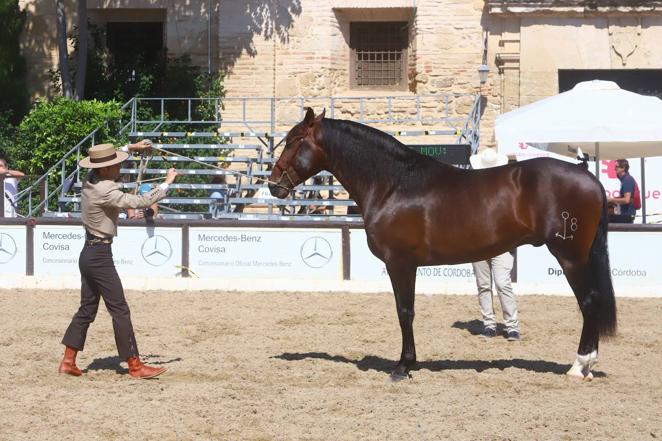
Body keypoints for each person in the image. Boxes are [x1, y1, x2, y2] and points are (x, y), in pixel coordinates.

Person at [59, 143, 178, 379]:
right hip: (100, 256)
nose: (120, 167)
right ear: (105, 170)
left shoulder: (90, 178)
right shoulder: (106, 191)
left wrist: (132, 147)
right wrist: (167, 182)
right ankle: (134, 365)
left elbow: (105, 158)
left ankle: (68, 361)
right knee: (119, 309)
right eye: (116, 164)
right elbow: (140, 203)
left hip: (88, 253)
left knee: (87, 309)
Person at [469, 148, 520, 341]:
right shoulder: (473, 191)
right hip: (479, 242)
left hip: (500, 242)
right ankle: (490, 324)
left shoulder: (506, 190)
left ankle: (511, 325)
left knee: (501, 283)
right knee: (484, 284)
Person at [607, 159, 637, 224]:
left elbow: (626, 200)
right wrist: (612, 199)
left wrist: (611, 200)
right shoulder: (625, 179)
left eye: (616, 167)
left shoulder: (627, 180)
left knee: (603, 219)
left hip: (628, 216)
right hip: (627, 215)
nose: (614, 169)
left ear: (623, 168)